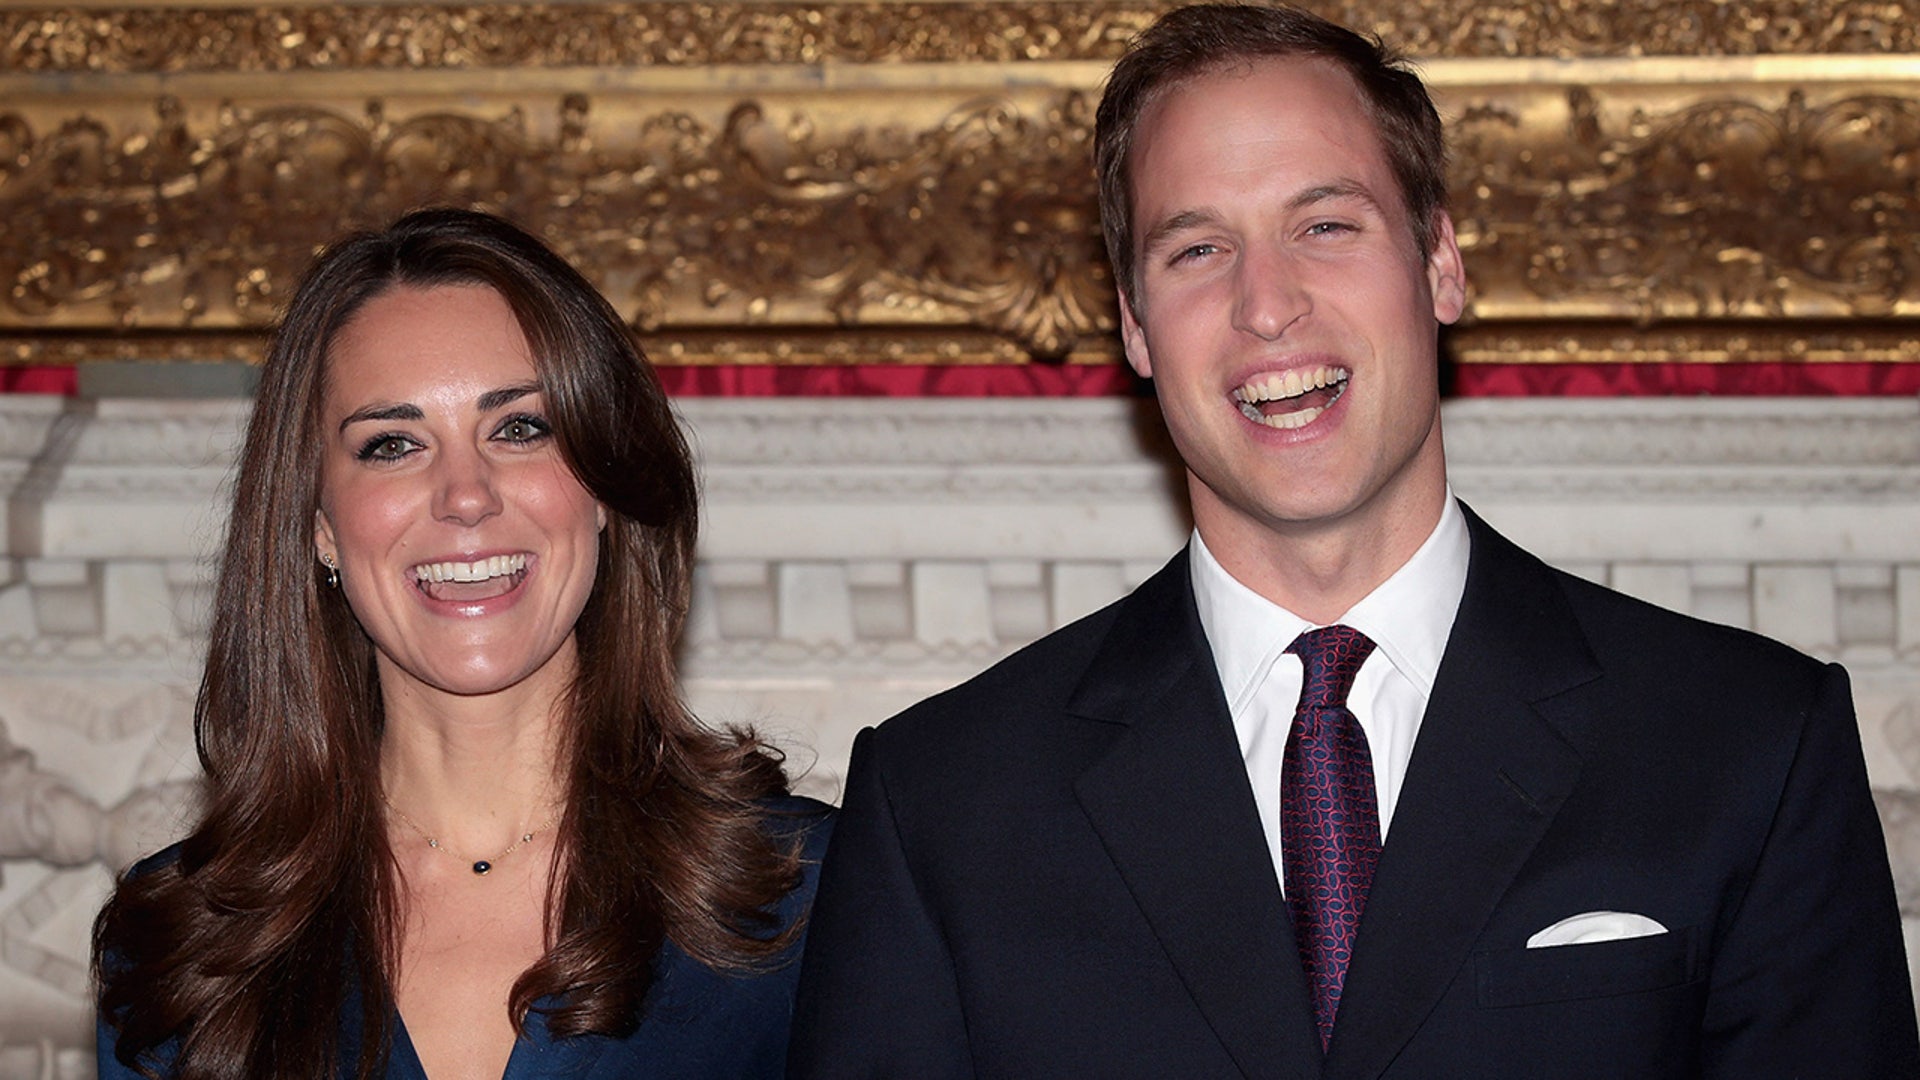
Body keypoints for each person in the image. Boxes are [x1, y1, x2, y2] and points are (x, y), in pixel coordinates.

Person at [789, 4, 1919, 1076]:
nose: (1267, 304)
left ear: (1441, 264)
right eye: (1197, 250)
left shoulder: (1750, 747)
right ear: (1133, 324)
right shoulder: (943, 805)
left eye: (1325, 225)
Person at [93, 208, 830, 1080]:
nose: (465, 495)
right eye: (393, 444)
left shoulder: (813, 897)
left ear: (601, 487)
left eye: (519, 428)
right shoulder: (181, 945)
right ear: (319, 525)